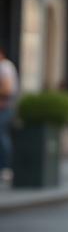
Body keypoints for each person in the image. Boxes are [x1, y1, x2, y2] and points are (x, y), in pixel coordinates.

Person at [0, 50, 18, 180]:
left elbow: (8, 88)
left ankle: (6, 168)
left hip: (4, 107)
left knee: (2, 136)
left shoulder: (4, 66)